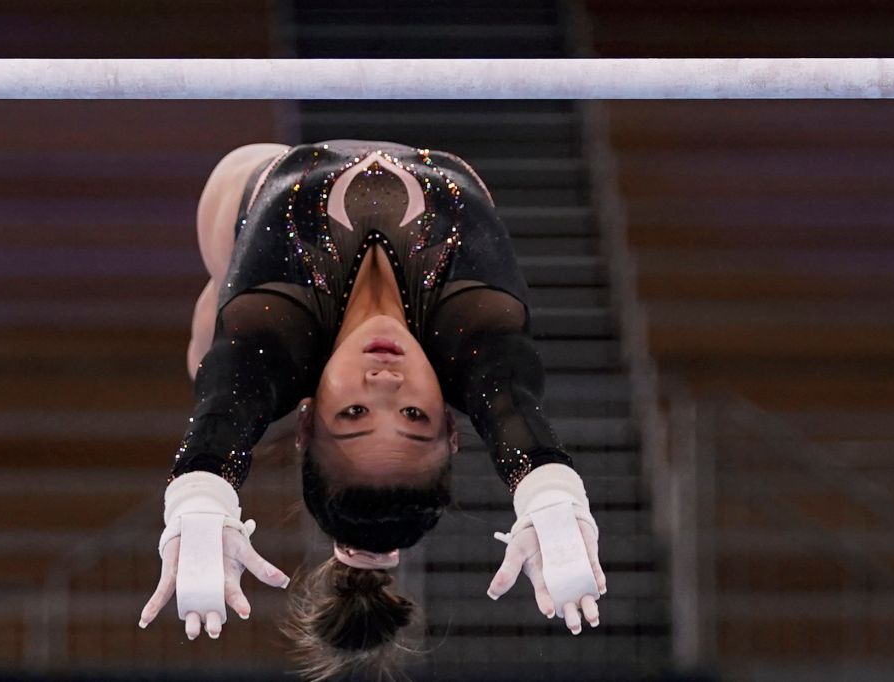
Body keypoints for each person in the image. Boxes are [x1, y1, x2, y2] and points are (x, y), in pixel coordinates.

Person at [137, 139, 608, 680]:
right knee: (232, 345)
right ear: (452, 427)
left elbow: (221, 420)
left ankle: (234, 334)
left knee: (223, 357)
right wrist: (550, 496)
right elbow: (514, 414)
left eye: (354, 413)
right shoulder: (477, 325)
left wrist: (199, 500)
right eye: (413, 417)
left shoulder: (275, 326)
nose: (385, 383)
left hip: (249, 198)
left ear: (306, 420)